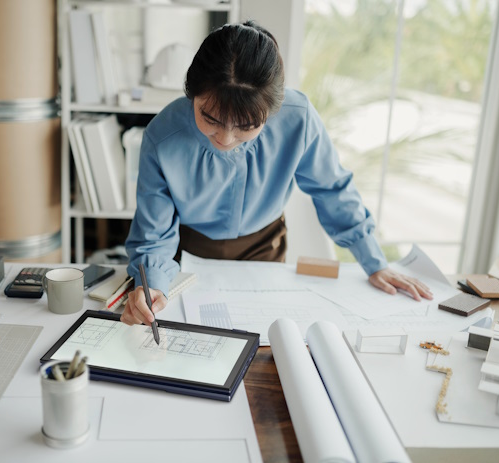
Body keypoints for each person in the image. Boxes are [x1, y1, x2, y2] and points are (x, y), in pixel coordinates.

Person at [121, 21, 432, 327]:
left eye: (246, 126)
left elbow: (333, 190)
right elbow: (155, 232)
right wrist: (153, 286)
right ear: (193, 93)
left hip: (265, 248)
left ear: (272, 110)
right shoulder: (162, 136)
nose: (226, 138)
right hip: (187, 254)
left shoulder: (298, 118)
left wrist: (374, 262)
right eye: (211, 118)